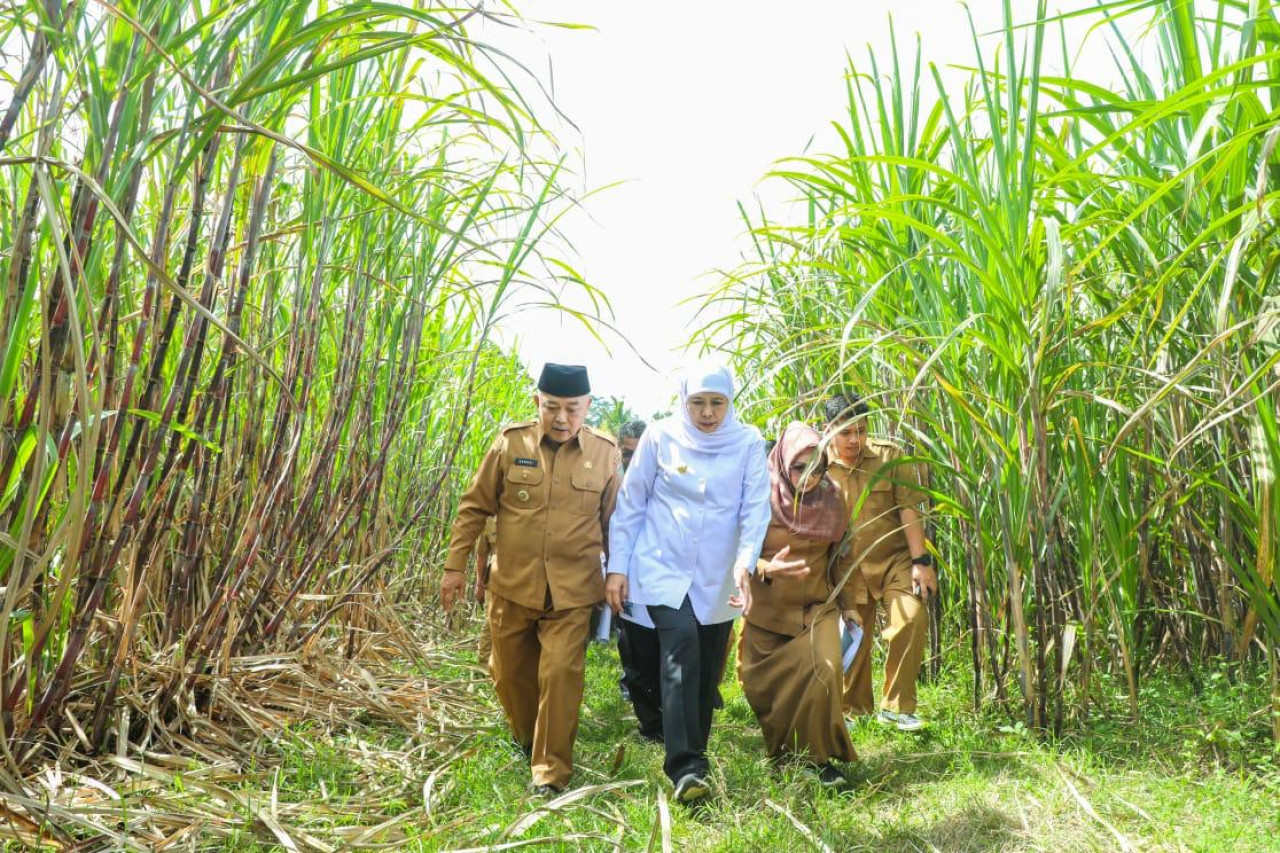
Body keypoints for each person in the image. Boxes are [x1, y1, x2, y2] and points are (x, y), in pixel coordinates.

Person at [442, 363, 621, 794]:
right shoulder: (510, 443)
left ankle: (551, 771)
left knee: (560, 674)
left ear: (587, 407)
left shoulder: (605, 453)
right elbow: (474, 507)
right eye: (552, 407)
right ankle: (529, 739)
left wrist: (618, 573)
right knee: (509, 675)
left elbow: (617, 523)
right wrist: (455, 566)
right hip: (512, 586)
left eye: (572, 410)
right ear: (537, 402)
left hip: (573, 591)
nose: (562, 419)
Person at [605, 363, 771, 804]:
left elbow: (755, 510)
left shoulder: (749, 443)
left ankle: (693, 749)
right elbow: (632, 503)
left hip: (719, 576)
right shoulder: (660, 436)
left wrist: (744, 565)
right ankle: (687, 766)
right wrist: (617, 567)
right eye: (698, 403)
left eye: (717, 403)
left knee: (707, 666)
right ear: (683, 401)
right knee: (681, 648)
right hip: (660, 565)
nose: (708, 413)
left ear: (730, 402)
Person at [738, 422, 858, 787]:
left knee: (824, 671)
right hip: (766, 614)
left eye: (818, 467)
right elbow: (737, 551)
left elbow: (843, 556)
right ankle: (787, 757)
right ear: (783, 461)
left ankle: (818, 761)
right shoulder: (759, 496)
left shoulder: (833, 497)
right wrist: (762, 566)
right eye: (799, 467)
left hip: (816, 608)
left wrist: (849, 604)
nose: (810, 476)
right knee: (764, 691)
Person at [823, 393, 935, 731]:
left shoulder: (890, 456)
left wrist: (921, 561)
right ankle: (852, 709)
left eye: (861, 430)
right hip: (847, 570)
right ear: (829, 429)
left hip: (894, 562)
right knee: (854, 638)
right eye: (845, 432)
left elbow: (907, 510)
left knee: (911, 618)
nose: (854, 440)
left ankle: (898, 707)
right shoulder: (816, 464)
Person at [613, 420, 664, 741]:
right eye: (627, 452)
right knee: (634, 653)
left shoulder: (664, 482)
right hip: (623, 581)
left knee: (662, 652)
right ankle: (651, 725)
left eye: (638, 451)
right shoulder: (609, 483)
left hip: (659, 580)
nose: (633, 459)